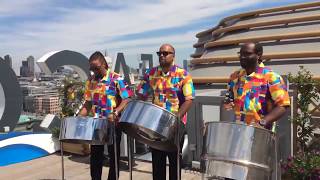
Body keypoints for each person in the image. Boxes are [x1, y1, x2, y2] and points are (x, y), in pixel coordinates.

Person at [136, 44, 195, 180]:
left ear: (173, 55)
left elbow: (189, 100)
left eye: (165, 53)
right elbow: (141, 94)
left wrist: (176, 118)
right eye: (160, 53)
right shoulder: (151, 74)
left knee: (175, 164)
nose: (162, 55)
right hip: (156, 125)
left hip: (175, 126)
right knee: (157, 164)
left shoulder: (183, 75)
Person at [79, 51, 133, 180]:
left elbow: (127, 99)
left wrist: (116, 112)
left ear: (104, 64)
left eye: (96, 68)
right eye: (91, 68)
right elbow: (87, 103)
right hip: (97, 124)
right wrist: (79, 118)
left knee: (114, 156)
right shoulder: (91, 81)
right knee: (95, 156)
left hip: (113, 123)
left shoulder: (116, 78)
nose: (93, 71)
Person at [224, 42, 290, 129]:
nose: (242, 57)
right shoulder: (235, 76)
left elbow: (283, 105)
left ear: (258, 55)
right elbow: (229, 97)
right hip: (238, 130)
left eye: (247, 54)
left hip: (260, 132)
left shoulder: (271, 77)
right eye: (241, 54)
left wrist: (262, 122)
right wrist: (228, 101)